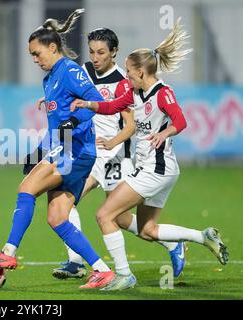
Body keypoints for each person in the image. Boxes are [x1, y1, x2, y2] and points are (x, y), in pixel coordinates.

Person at [71, 18, 229, 290]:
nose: (127, 79)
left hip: (155, 170)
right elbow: (112, 106)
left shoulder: (163, 94)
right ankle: (203, 237)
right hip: (152, 170)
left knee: (104, 215)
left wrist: (164, 133)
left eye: (130, 74)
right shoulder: (135, 94)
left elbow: (180, 121)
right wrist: (87, 103)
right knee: (146, 229)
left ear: (142, 72)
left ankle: (123, 275)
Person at [0, 8, 116, 289]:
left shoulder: (69, 71)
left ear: (53, 47)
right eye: (31, 55)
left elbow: (96, 102)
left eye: (37, 53)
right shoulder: (50, 79)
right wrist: (38, 153)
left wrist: (74, 120)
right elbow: (56, 127)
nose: (35, 59)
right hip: (69, 150)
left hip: (74, 150)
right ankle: (102, 271)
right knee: (56, 218)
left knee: (26, 190)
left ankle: (8, 254)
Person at [52, 28, 186, 280]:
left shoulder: (125, 81)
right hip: (91, 152)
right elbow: (68, 93)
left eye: (101, 52)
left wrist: (113, 141)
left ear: (114, 52)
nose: (95, 57)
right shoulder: (84, 72)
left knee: (116, 217)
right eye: (92, 51)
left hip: (115, 157)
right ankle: (76, 261)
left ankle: (168, 245)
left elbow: (131, 125)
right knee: (65, 199)